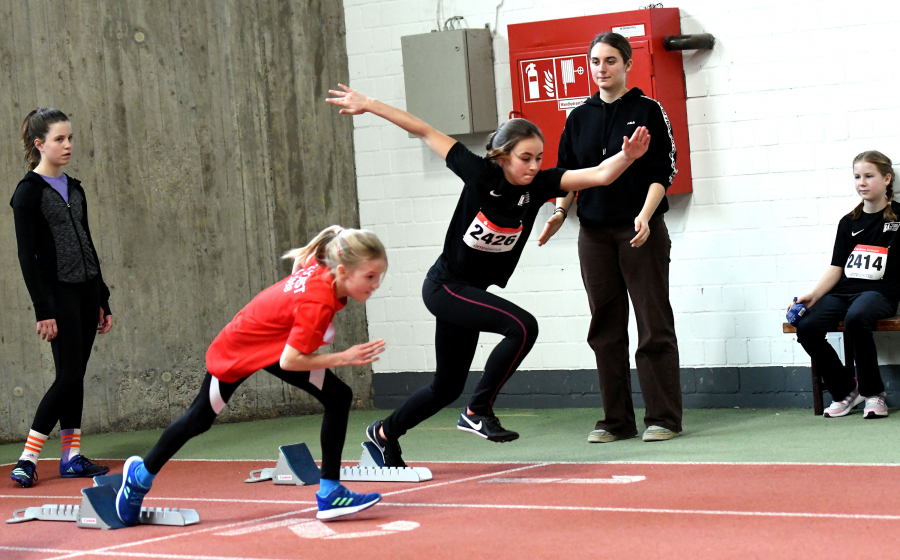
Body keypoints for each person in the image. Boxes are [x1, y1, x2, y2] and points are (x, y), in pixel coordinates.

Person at [326, 83, 650, 467]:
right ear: (502, 156)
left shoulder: (543, 184)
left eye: (538, 158)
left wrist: (627, 157)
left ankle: (382, 434)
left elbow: (597, 175)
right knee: (523, 327)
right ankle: (478, 410)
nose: (532, 166)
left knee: (446, 386)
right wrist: (368, 104)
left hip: (468, 291)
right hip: (445, 286)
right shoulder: (480, 174)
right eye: (525, 158)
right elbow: (425, 129)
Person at [115, 226, 386, 524]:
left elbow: (304, 263)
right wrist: (345, 357)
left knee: (338, 396)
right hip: (239, 349)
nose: (375, 285)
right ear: (345, 272)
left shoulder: (325, 266)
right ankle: (138, 478)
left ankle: (330, 493)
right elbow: (292, 361)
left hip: (276, 346)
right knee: (198, 420)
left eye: (379, 276)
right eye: (369, 277)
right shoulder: (318, 302)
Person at [538, 32, 682, 444]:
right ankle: (616, 420)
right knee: (605, 326)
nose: (602, 69)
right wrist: (561, 212)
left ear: (627, 64)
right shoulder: (577, 117)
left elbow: (663, 172)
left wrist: (645, 215)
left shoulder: (648, 110)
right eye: (596, 62)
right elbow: (568, 174)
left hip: (640, 229)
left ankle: (664, 417)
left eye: (611, 61)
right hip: (594, 234)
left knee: (652, 324)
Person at [10, 108, 114, 487]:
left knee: (75, 376)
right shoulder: (27, 194)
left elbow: (87, 242)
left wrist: (103, 298)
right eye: (59, 139)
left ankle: (71, 456)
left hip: (87, 291)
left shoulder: (74, 187)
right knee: (68, 375)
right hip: (58, 295)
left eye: (70, 138)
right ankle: (27, 458)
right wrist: (43, 310)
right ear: (40, 145)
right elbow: (27, 257)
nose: (68, 145)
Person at [794, 151, 900, 419]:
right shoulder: (848, 222)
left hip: (879, 292)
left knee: (857, 318)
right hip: (844, 291)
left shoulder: (898, 217)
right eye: (857, 177)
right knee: (806, 326)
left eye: (869, 176)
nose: (862, 182)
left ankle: (874, 394)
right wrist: (815, 295)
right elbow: (836, 267)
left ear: (887, 178)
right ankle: (846, 390)